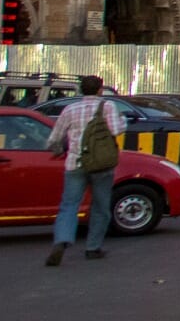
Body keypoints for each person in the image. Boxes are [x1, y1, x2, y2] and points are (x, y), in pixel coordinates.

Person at [43, 76, 126, 266]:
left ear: (81, 90)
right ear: (100, 90)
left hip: (75, 164)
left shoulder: (70, 109)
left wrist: (58, 150)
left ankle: (61, 241)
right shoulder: (108, 107)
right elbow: (115, 131)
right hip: (101, 165)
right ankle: (93, 248)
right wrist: (123, 122)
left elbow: (54, 138)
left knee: (69, 206)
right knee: (100, 207)